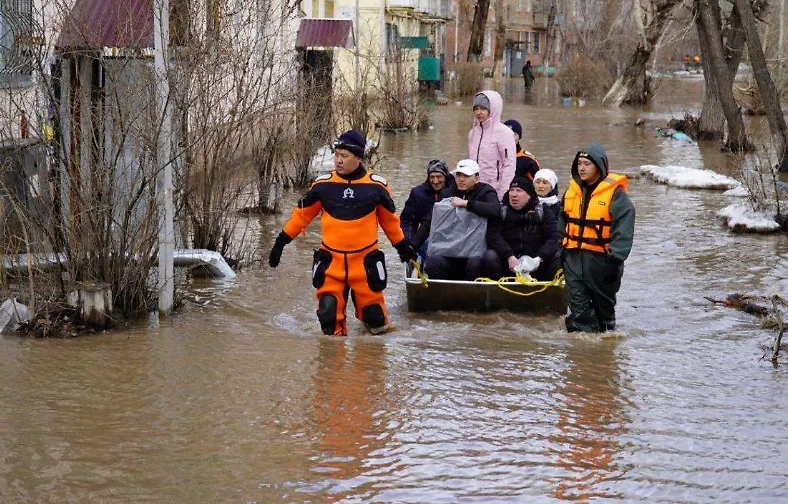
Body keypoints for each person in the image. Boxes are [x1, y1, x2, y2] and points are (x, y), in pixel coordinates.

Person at [268, 129, 416, 336]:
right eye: (336, 155)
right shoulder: (323, 185)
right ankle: (333, 364)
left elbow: (389, 222)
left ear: (358, 157)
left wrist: (402, 247)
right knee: (328, 317)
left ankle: (367, 361)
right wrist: (281, 242)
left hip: (365, 261)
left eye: (344, 156)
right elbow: (301, 216)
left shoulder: (377, 186)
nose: (338, 160)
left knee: (376, 321)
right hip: (331, 261)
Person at [558, 143, 635, 333]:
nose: (582, 168)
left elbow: (623, 229)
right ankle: (582, 352)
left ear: (599, 167)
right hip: (574, 259)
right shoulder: (571, 192)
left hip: (603, 262)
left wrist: (616, 259)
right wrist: (560, 249)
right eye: (579, 163)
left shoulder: (616, 195)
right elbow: (562, 222)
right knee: (578, 306)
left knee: (604, 314)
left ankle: (603, 350)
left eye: (587, 164)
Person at [411, 159, 506, 281]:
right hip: (450, 252)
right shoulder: (447, 193)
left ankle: (475, 293)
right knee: (433, 261)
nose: (461, 179)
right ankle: (442, 294)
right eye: (458, 175)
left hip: (475, 252)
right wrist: (413, 246)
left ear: (476, 178)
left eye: (466, 176)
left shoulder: (486, 191)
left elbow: (494, 210)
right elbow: (430, 221)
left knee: (476, 262)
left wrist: (466, 204)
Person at [470, 176, 560, 281]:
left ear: (529, 195)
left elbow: (553, 238)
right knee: (490, 256)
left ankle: (550, 290)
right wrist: (509, 256)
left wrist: (539, 258)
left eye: (519, 190)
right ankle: (496, 290)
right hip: (508, 263)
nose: (514, 194)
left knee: (557, 256)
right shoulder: (502, 210)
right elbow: (493, 236)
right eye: (511, 190)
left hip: (536, 262)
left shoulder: (542, 210)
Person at [399, 159, 455, 259]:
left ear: (445, 177)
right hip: (425, 236)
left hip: (451, 236)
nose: (435, 181)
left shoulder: (455, 191)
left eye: (439, 177)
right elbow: (407, 221)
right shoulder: (417, 193)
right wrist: (409, 242)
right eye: (432, 177)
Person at [468, 90, 517, 201]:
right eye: (476, 109)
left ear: (493, 109)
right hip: (474, 189)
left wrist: (503, 194)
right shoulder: (472, 133)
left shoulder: (504, 133)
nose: (479, 112)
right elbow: (470, 162)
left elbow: (509, 165)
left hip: (494, 190)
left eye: (483, 109)